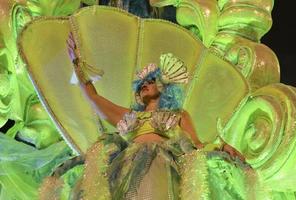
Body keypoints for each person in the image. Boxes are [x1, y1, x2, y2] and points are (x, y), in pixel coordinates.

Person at [39, 33, 255, 200]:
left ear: (163, 86)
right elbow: (95, 98)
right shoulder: (130, 116)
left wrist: (220, 148)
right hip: (126, 165)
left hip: (165, 167)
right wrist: (76, 63)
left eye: (149, 82)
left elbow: (196, 145)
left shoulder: (178, 115)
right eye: (141, 84)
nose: (144, 85)